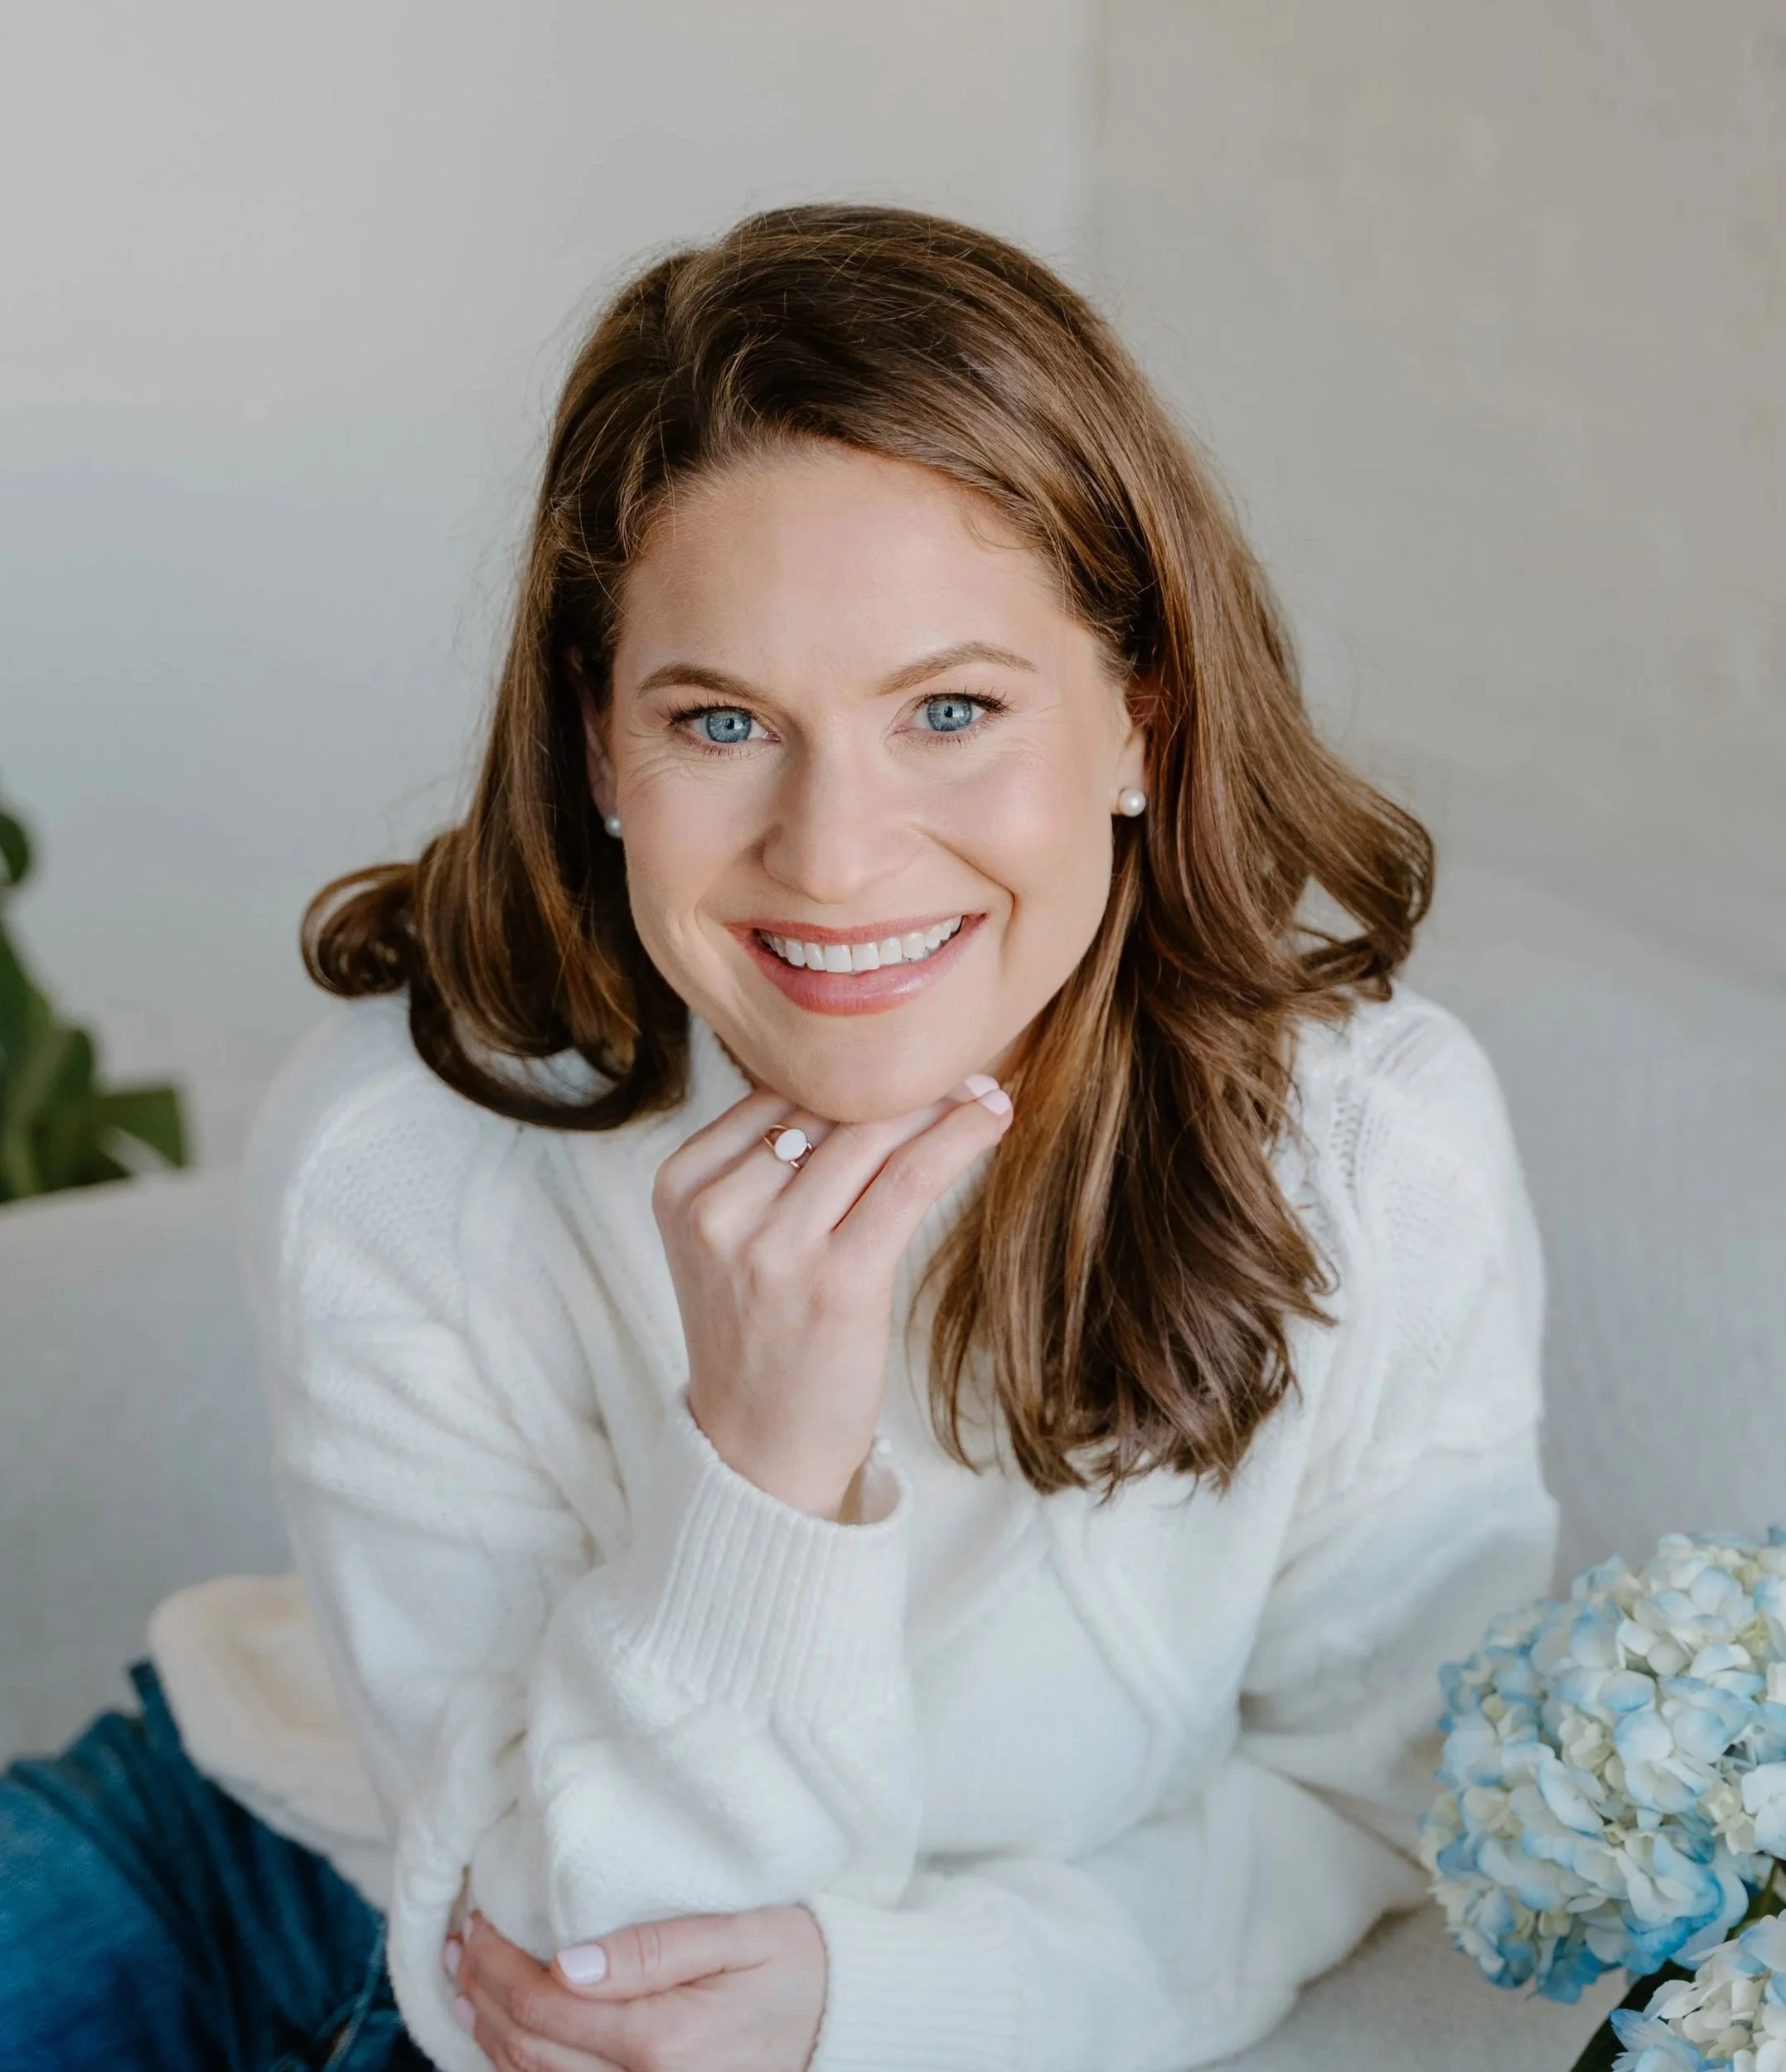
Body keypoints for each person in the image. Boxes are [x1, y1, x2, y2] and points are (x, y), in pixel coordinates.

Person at [0, 204, 1558, 2072]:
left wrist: (880, 1990)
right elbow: (557, 1948)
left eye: (951, 710)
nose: (832, 855)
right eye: (723, 717)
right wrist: (761, 1454)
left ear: (1140, 715)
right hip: (251, 1860)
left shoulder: (1371, 1150)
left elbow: (1377, 1799)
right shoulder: (399, 1143)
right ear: (596, 748)